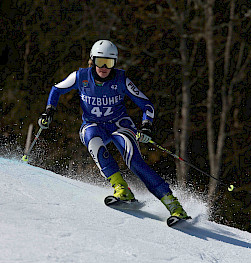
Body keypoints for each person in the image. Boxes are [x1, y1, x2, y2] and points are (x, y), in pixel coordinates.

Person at [38, 40, 189, 219]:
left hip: (119, 125)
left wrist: (146, 127)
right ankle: (121, 189)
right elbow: (56, 90)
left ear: (114, 63)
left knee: (134, 161)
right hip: (94, 125)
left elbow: (147, 105)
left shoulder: (121, 79)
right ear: (92, 60)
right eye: (99, 61)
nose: (103, 67)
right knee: (91, 137)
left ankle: (174, 205)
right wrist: (48, 112)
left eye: (108, 63)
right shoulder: (81, 76)